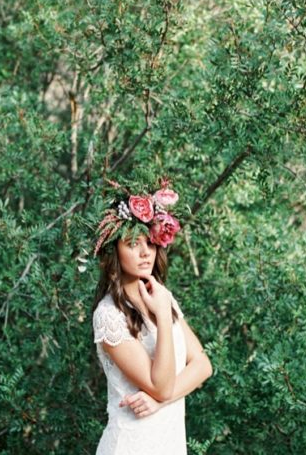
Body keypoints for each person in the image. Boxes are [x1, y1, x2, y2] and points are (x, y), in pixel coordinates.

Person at [90, 179, 213, 455]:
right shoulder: (109, 315)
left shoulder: (161, 296)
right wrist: (161, 315)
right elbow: (161, 385)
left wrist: (160, 401)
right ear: (114, 250)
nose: (145, 252)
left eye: (150, 242)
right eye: (133, 243)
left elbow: (203, 365)